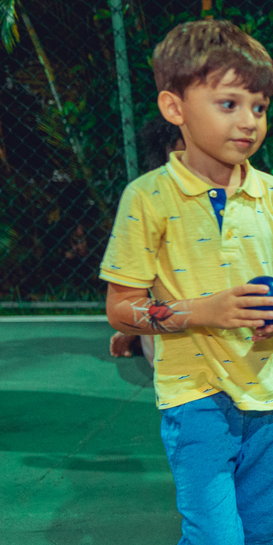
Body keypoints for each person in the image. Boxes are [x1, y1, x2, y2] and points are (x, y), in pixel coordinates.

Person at [100, 20, 273, 545]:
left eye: (259, 106)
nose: (249, 121)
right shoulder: (148, 198)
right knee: (215, 538)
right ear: (174, 107)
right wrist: (201, 311)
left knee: (262, 523)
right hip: (194, 394)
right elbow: (121, 307)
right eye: (228, 103)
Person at [108, 117, 185, 364]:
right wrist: (134, 326)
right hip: (174, 346)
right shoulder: (148, 199)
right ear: (167, 151)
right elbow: (125, 305)